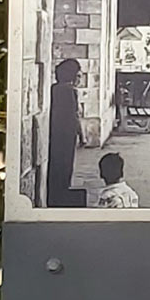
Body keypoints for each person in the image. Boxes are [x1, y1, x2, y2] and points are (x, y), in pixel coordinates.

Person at [47, 58, 86, 206]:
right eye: (78, 75)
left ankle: (55, 193)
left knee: (55, 164)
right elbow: (75, 116)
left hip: (55, 133)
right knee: (65, 166)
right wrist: (82, 136)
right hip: (67, 135)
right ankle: (61, 195)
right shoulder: (71, 92)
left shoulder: (54, 88)